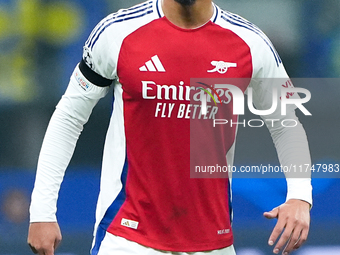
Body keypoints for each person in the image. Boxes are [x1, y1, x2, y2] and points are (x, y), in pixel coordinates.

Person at [27, 0, 312, 255]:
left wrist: (300, 195)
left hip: (214, 243)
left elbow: (286, 123)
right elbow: (68, 118)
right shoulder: (117, 32)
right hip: (126, 238)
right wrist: (41, 210)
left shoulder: (250, 43)